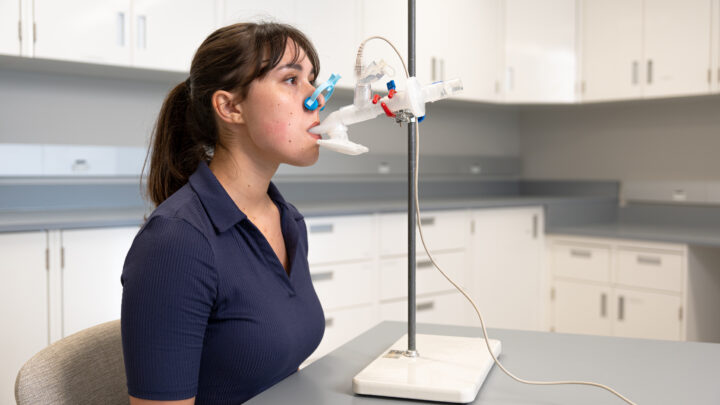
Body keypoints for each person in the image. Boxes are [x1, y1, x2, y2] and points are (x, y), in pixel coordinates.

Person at [120, 22, 326, 405]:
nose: (316, 99)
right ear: (230, 107)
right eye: (292, 80)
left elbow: (280, 367)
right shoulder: (177, 242)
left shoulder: (289, 221)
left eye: (312, 80)